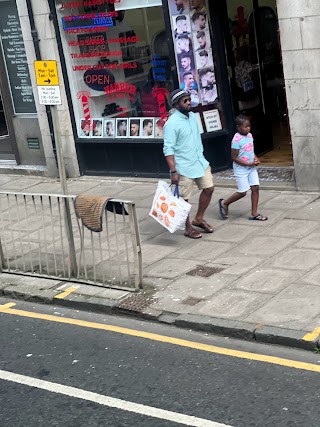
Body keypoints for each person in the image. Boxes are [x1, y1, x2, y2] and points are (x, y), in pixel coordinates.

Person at [163, 89, 214, 239]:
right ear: (176, 104)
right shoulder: (171, 123)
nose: (188, 102)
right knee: (183, 200)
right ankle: (188, 228)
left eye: (189, 99)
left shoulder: (192, 116)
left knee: (209, 188)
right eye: (184, 101)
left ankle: (198, 218)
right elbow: (168, 149)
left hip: (199, 161)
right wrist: (173, 171)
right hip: (183, 167)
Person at [218, 115, 268, 221]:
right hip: (241, 169)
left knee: (255, 188)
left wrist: (255, 159)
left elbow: (250, 150)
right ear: (238, 127)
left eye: (249, 126)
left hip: (251, 167)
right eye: (245, 127)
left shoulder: (249, 136)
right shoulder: (236, 140)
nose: (248, 128)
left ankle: (254, 213)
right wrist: (247, 164)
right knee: (242, 192)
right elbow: (234, 157)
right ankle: (224, 203)